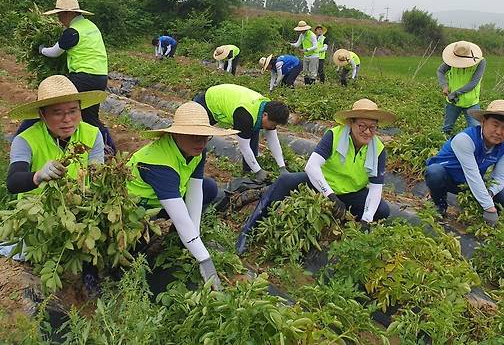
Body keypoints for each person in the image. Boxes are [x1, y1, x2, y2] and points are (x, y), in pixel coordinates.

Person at [236, 99, 395, 254]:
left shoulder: (378, 149)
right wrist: (330, 195)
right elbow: (311, 167)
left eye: (372, 127)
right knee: (284, 181)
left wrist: (366, 220)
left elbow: (375, 188)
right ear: (350, 123)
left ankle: (346, 223)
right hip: (321, 186)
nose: (367, 132)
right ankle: (248, 231)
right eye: (362, 126)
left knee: (382, 210)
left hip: (351, 193)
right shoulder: (335, 136)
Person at [5, 74, 107, 295]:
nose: (67, 119)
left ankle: (90, 272)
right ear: (42, 115)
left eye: (73, 111)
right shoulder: (26, 139)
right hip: (39, 215)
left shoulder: (93, 134)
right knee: (34, 255)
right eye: (57, 113)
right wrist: (39, 175)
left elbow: (98, 176)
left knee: (95, 228)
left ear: (81, 110)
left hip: (80, 210)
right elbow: (13, 181)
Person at [126, 102, 237, 290]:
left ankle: (180, 239)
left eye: (205, 137)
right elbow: (179, 216)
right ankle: (128, 269)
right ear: (176, 133)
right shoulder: (158, 163)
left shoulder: (197, 151)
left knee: (209, 187)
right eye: (194, 137)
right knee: (134, 243)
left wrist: (194, 236)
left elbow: (195, 191)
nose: (201, 143)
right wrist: (204, 259)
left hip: (164, 200)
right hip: (136, 209)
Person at [425, 100, 504, 227]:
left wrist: (490, 193)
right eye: (495, 125)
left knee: (502, 193)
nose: (499, 132)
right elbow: (472, 174)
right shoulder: (464, 139)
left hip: (469, 185)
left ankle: (488, 223)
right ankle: (439, 203)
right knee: (435, 172)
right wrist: (489, 207)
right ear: (483, 122)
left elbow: (500, 177)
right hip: (449, 178)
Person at [37, 0, 115, 153]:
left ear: (68, 13)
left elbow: (54, 52)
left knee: (49, 104)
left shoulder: (73, 32)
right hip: (100, 77)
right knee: (90, 117)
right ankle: (109, 148)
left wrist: (40, 49)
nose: (59, 19)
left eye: (59, 15)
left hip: (83, 77)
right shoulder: (90, 26)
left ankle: (30, 137)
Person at [192, 84, 290, 181]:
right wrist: (258, 171)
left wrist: (282, 167)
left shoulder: (267, 109)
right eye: (273, 124)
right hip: (208, 101)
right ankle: (193, 171)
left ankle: (248, 172)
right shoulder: (245, 116)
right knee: (196, 139)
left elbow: (273, 139)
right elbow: (244, 146)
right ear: (265, 115)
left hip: (229, 98)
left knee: (253, 132)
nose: (273, 127)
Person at [437, 41, 487, 136]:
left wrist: (456, 93)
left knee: (476, 131)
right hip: (452, 102)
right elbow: (440, 71)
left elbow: (474, 82)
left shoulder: (480, 62)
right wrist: (444, 85)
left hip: (471, 102)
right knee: (446, 129)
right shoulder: (451, 61)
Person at [290, 20, 319, 84]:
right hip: (306, 56)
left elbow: (315, 46)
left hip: (313, 56)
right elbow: (297, 44)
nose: (300, 31)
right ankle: (307, 86)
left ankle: (312, 88)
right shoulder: (301, 35)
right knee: (305, 72)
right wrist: (290, 44)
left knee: (312, 73)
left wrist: (306, 50)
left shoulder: (312, 35)